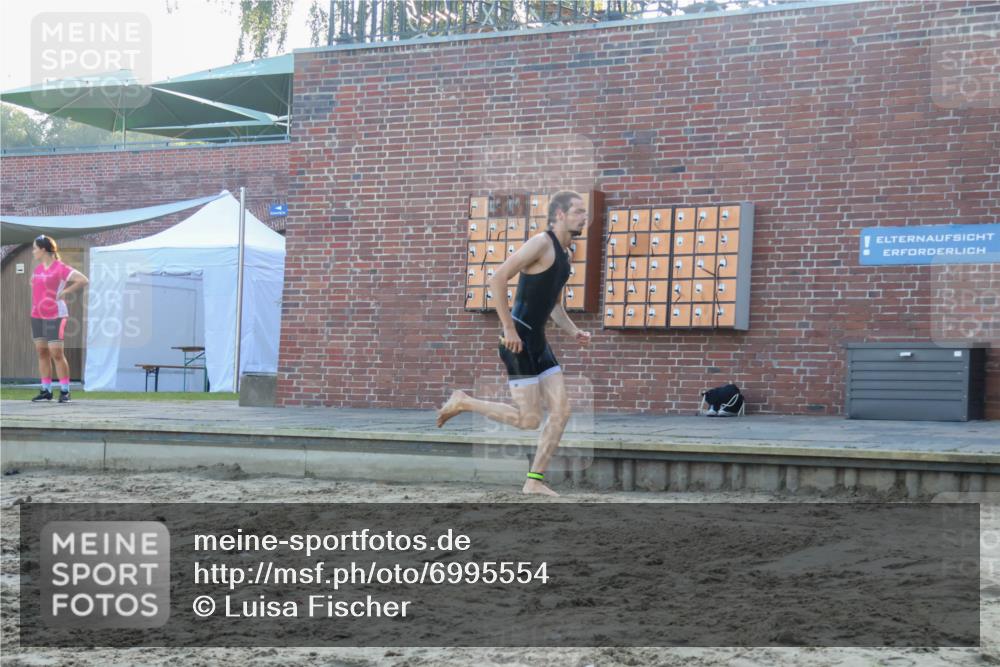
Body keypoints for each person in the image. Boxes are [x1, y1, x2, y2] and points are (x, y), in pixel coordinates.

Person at [437, 191, 592, 496]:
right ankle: (464, 401)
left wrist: (574, 331)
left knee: (562, 411)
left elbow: (554, 305)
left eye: (584, 212)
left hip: (539, 342)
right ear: (559, 215)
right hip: (517, 342)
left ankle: (534, 481)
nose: (583, 217)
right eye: (577, 211)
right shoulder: (541, 243)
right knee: (529, 419)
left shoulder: (566, 255)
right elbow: (497, 278)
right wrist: (508, 329)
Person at [29, 235, 88, 403]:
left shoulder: (60, 268)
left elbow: (83, 280)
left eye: (35, 248)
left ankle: (65, 391)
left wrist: (66, 292)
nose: (33, 252)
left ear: (43, 249)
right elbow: (35, 286)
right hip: (37, 315)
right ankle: (46, 390)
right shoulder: (38, 269)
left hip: (56, 315)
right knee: (42, 352)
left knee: (56, 353)